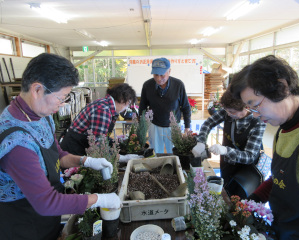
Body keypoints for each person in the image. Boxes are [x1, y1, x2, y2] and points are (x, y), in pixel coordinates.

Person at [0, 53, 121, 240]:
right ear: (37, 89)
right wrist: (100, 199)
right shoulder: (16, 143)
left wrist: (85, 161)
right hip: (24, 225)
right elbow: (46, 202)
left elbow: (58, 154)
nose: (61, 105)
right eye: (61, 98)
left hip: (47, 219)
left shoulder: (41, 115)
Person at [229, 55, 299, 239]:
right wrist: (251, 202)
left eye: (255, 105)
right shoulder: (284, 128)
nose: (254, 116)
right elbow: (280, 179)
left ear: (281, 88)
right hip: (283, 230)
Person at [192, 89, 266, 196]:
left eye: (232, 112)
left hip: (244, 172)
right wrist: (201, 142)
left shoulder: (258, 123)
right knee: (225, 190)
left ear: (246, 107)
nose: (229, 114)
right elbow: (208, 123)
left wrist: (226, 150)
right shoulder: (228, 112)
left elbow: (250, 156)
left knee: (238, 199)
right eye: (227, 111)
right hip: (227, 164)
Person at [60, 83, 136, 156]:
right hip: (73, 150)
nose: (127, 108)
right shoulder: (103, 110)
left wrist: (116, 141)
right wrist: (123, 158)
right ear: (122, 99)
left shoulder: (106, 105)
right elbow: (98, 146)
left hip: (80, 146)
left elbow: (101, 137)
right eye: (128, 104)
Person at [139, 57, 191, 154]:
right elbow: (142, 106)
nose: (159, 79)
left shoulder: (178, 85)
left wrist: (187, 127)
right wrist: (141, 125)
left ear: (169, 71)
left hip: (174, 126)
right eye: (155, 75)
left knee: (175, 153)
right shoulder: (147, 85)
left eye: (162, 75)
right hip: (154, 125)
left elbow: (185, 106)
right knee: (154, 153)